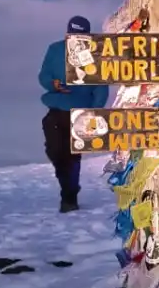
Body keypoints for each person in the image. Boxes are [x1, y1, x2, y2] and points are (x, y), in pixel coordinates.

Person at [38, 16, 110, 213]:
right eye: (72, 35)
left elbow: (101, 89)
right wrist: (53, 84)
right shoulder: (55, 50)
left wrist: (93, 113)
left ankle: (69, 197)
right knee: (54, 151)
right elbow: (44, 75)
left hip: (81, 113)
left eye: (80, 37)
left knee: (72, 156)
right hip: (56, 109)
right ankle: (68, 187)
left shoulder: (95, 56)